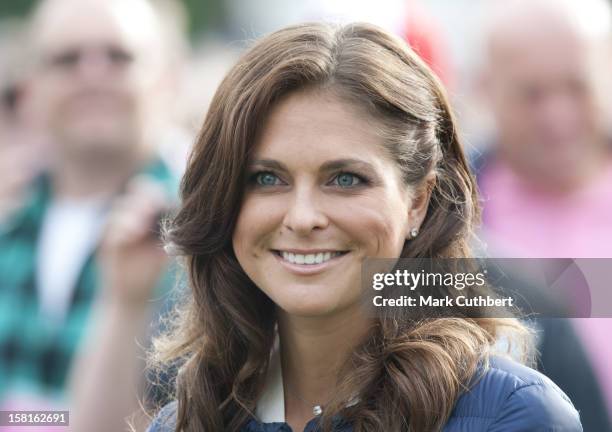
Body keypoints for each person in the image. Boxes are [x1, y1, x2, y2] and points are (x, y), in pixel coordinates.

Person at [146, 22, 581, 431]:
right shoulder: (185, 420)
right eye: (267, 179)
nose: (302, 218)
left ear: (418, 199)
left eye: (345, 179)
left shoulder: (511, 415)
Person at [0, 0, 178, 421]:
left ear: (169, 78)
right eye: (67, 59)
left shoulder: (217, 226)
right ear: (30, 89)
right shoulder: (10, 226)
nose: (93, 76)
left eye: (119, 57)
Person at [471, 0, 612, 428]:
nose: (557, 115)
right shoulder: (445, 217)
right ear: (486, 89)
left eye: (576, 86)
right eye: (532, 93)